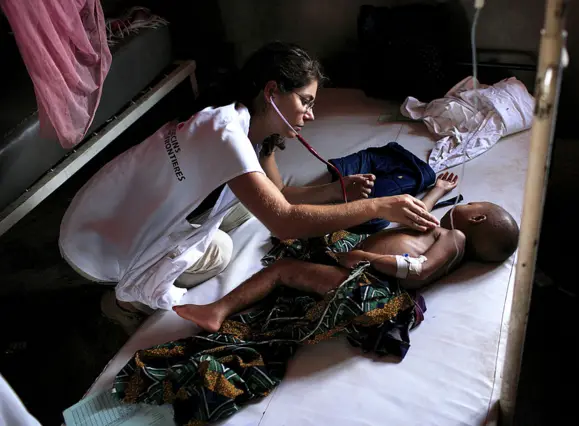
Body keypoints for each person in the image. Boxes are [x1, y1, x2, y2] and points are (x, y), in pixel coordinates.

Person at [58, 41, 439, 333]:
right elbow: (285, 221)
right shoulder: (224, 132)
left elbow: (281, 195)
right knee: (222, 250)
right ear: (272, 91)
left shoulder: (253, 131)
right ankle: (120, 305)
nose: (310, 114)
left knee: (244, 208)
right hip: (101, 244)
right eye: (305, 101)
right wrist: (378, 206)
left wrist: (338, 192)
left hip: (121, 208)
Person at [173, 173, 521, 332]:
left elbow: (419, 270)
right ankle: (225, 307)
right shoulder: (440, 231)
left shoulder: (455, 237)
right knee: (298, 262)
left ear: (475, 217)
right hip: (360, 270)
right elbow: (421, 215)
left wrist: (368, 259)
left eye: (472, 203)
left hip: (366, 284)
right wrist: (437, 188)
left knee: (283, 269)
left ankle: (216, 311)